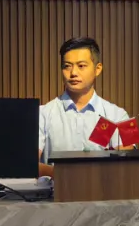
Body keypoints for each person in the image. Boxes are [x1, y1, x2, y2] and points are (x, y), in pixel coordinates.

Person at [38, 36, 131, 178]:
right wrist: (64, 175)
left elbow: (130, 164)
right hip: (55, 190)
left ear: (97, 69)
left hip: (103, 190)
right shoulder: (41, 114)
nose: (73, 73)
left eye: (81, 66)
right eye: (67, 66)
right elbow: (27, 163)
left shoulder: (121, 115)